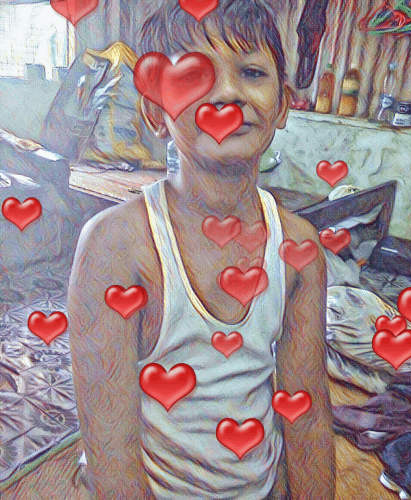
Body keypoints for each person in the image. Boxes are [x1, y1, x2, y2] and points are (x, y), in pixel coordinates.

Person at [67, 1, 335, 498]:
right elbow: (110, 453)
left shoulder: (299, 248)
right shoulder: (118, 248)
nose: (227, 93)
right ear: (155, 112)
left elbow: (308, 410)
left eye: (251, 72)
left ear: (282, 105)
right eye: (195, 76)